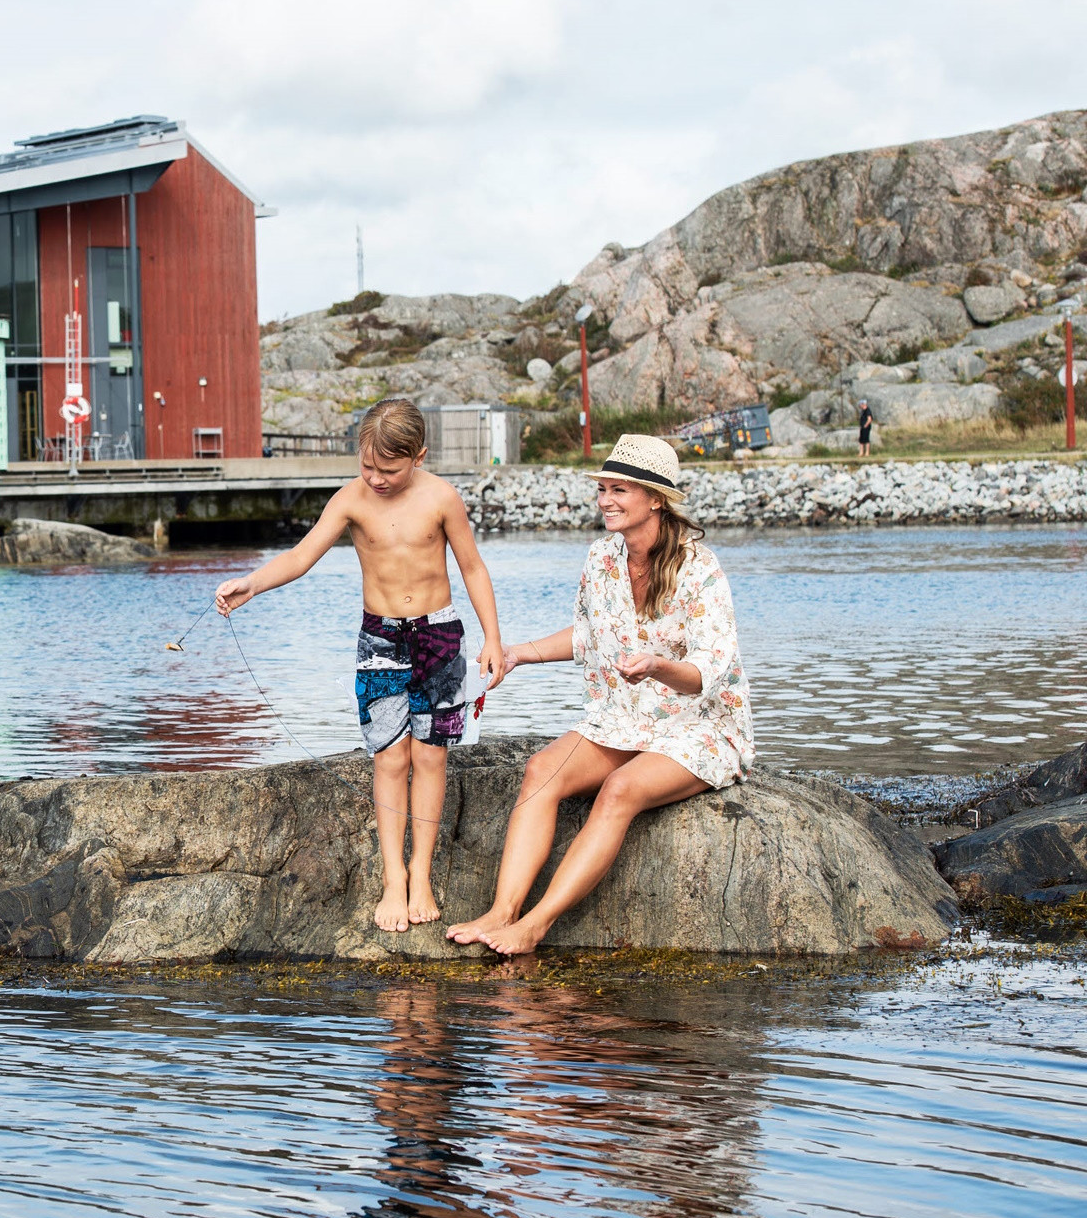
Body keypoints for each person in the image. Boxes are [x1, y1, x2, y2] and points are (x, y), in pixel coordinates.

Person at [448, 434, 753, 957]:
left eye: (619, 490)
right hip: (624, 719)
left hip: (699, 728)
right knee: (541, 770)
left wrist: (657, 666)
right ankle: (501, 912)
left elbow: (709, 671)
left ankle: (535, 925)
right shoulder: (602, 557)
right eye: (602, 489)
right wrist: (518, 653)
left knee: (618, 790)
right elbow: (589, 636)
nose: (606, 501)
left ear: (655, 499)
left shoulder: (699, 568)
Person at [214, 398, 505, 933]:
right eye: (367, 466)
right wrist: (251, 584)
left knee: (431, 757)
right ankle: (394, 877)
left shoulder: (442, 498)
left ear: (419, 456)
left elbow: (473, 568)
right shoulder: (351, 499)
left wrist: (493, 638)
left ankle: (421, 873)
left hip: (439, 636)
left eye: (388, 469)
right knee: (390, 759)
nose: (375, 478)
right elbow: (300, 556)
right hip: (380, 641)